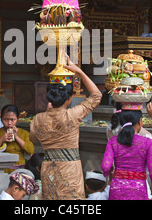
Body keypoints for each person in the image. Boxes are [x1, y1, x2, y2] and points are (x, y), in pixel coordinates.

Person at [29, 54, 102, 200]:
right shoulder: (72, 115)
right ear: (69, 99)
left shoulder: (38, 118)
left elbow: (33, 138)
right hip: (69, 169)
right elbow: (96, 96)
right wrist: (79, 72)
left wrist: (48, 113)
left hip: (49, 168)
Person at [101, 109, 152, 200]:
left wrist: (107, 175)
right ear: (140, 121)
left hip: (117, 188)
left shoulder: (113, 141)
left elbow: (105, 166)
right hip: (139, 189)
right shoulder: (148, 143)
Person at [0, 104, 35, 173]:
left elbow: (30, 151)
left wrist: (17, 137)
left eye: (12, 120)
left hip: (20, 170)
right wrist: (1, 140)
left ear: (17, 119)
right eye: (6, 119)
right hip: (2, 171)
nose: (9, 123)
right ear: (1, 118)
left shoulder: (24, 133)